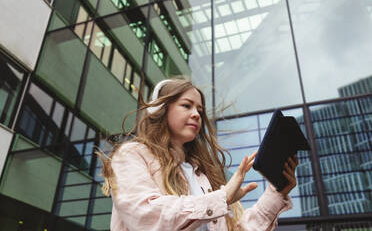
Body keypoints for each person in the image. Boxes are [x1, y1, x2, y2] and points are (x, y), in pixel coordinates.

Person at [99, 78, 298, 231]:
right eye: (187, 105)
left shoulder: (203, 176)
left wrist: (276, 192)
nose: (196, 114)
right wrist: (222, 198)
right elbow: (146, 216)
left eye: (200, 110)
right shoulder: (132, 155)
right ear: (161, 110)